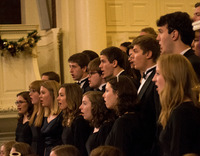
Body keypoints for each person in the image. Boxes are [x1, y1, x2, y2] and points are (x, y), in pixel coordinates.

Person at [152, 54, 200, 156]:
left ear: (172, 77)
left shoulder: (182, 113)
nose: (154, 79)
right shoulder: (180, 110)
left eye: (158, 73)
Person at [103, 76, 143, 156]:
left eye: (107, 91)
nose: (103, 95)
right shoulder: (134, 117)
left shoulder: (123, 123)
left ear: (117, 93)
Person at [156, 11, 200, 80]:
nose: (157, 38)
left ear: (174, 34)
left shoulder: (191, 64)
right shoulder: (182, 62)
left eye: (161, 32)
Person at [57, 83, 92, 156]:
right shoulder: (66, 118)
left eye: (61, 95)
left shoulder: (79, 121)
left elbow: (80, 150)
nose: (58, 98)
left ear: (71, 97)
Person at [40, 80, 63, 156]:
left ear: (53, 94)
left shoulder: (61, 116)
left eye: (43, 93)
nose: (40, 96)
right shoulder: (46, 116)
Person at [29, 80, 45, 156]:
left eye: (33, 91)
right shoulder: (34, 113)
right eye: (30, 91)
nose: (30, 94)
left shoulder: (45, 114)